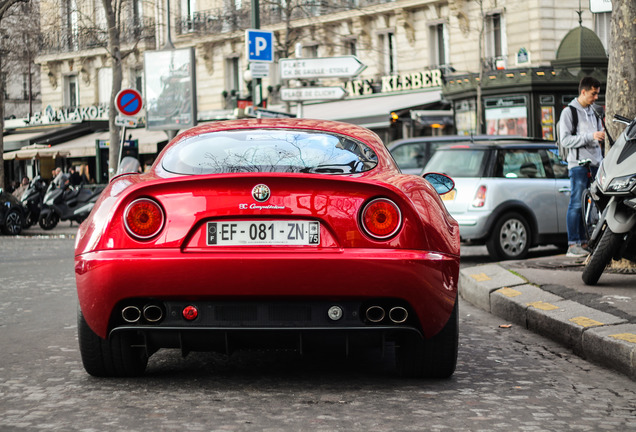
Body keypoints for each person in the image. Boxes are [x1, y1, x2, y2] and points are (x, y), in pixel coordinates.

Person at [559, 76, 605, 257]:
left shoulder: (594, 111)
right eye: (593, 94)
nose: (596, 98)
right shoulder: (569, 112)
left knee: (589, 206)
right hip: (578, 166)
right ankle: (573, 245)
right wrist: (590, 136)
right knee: (577, 204)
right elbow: (565, 140)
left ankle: (584, 243)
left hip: (595, 164)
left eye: (597, 94)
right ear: (583, 91)